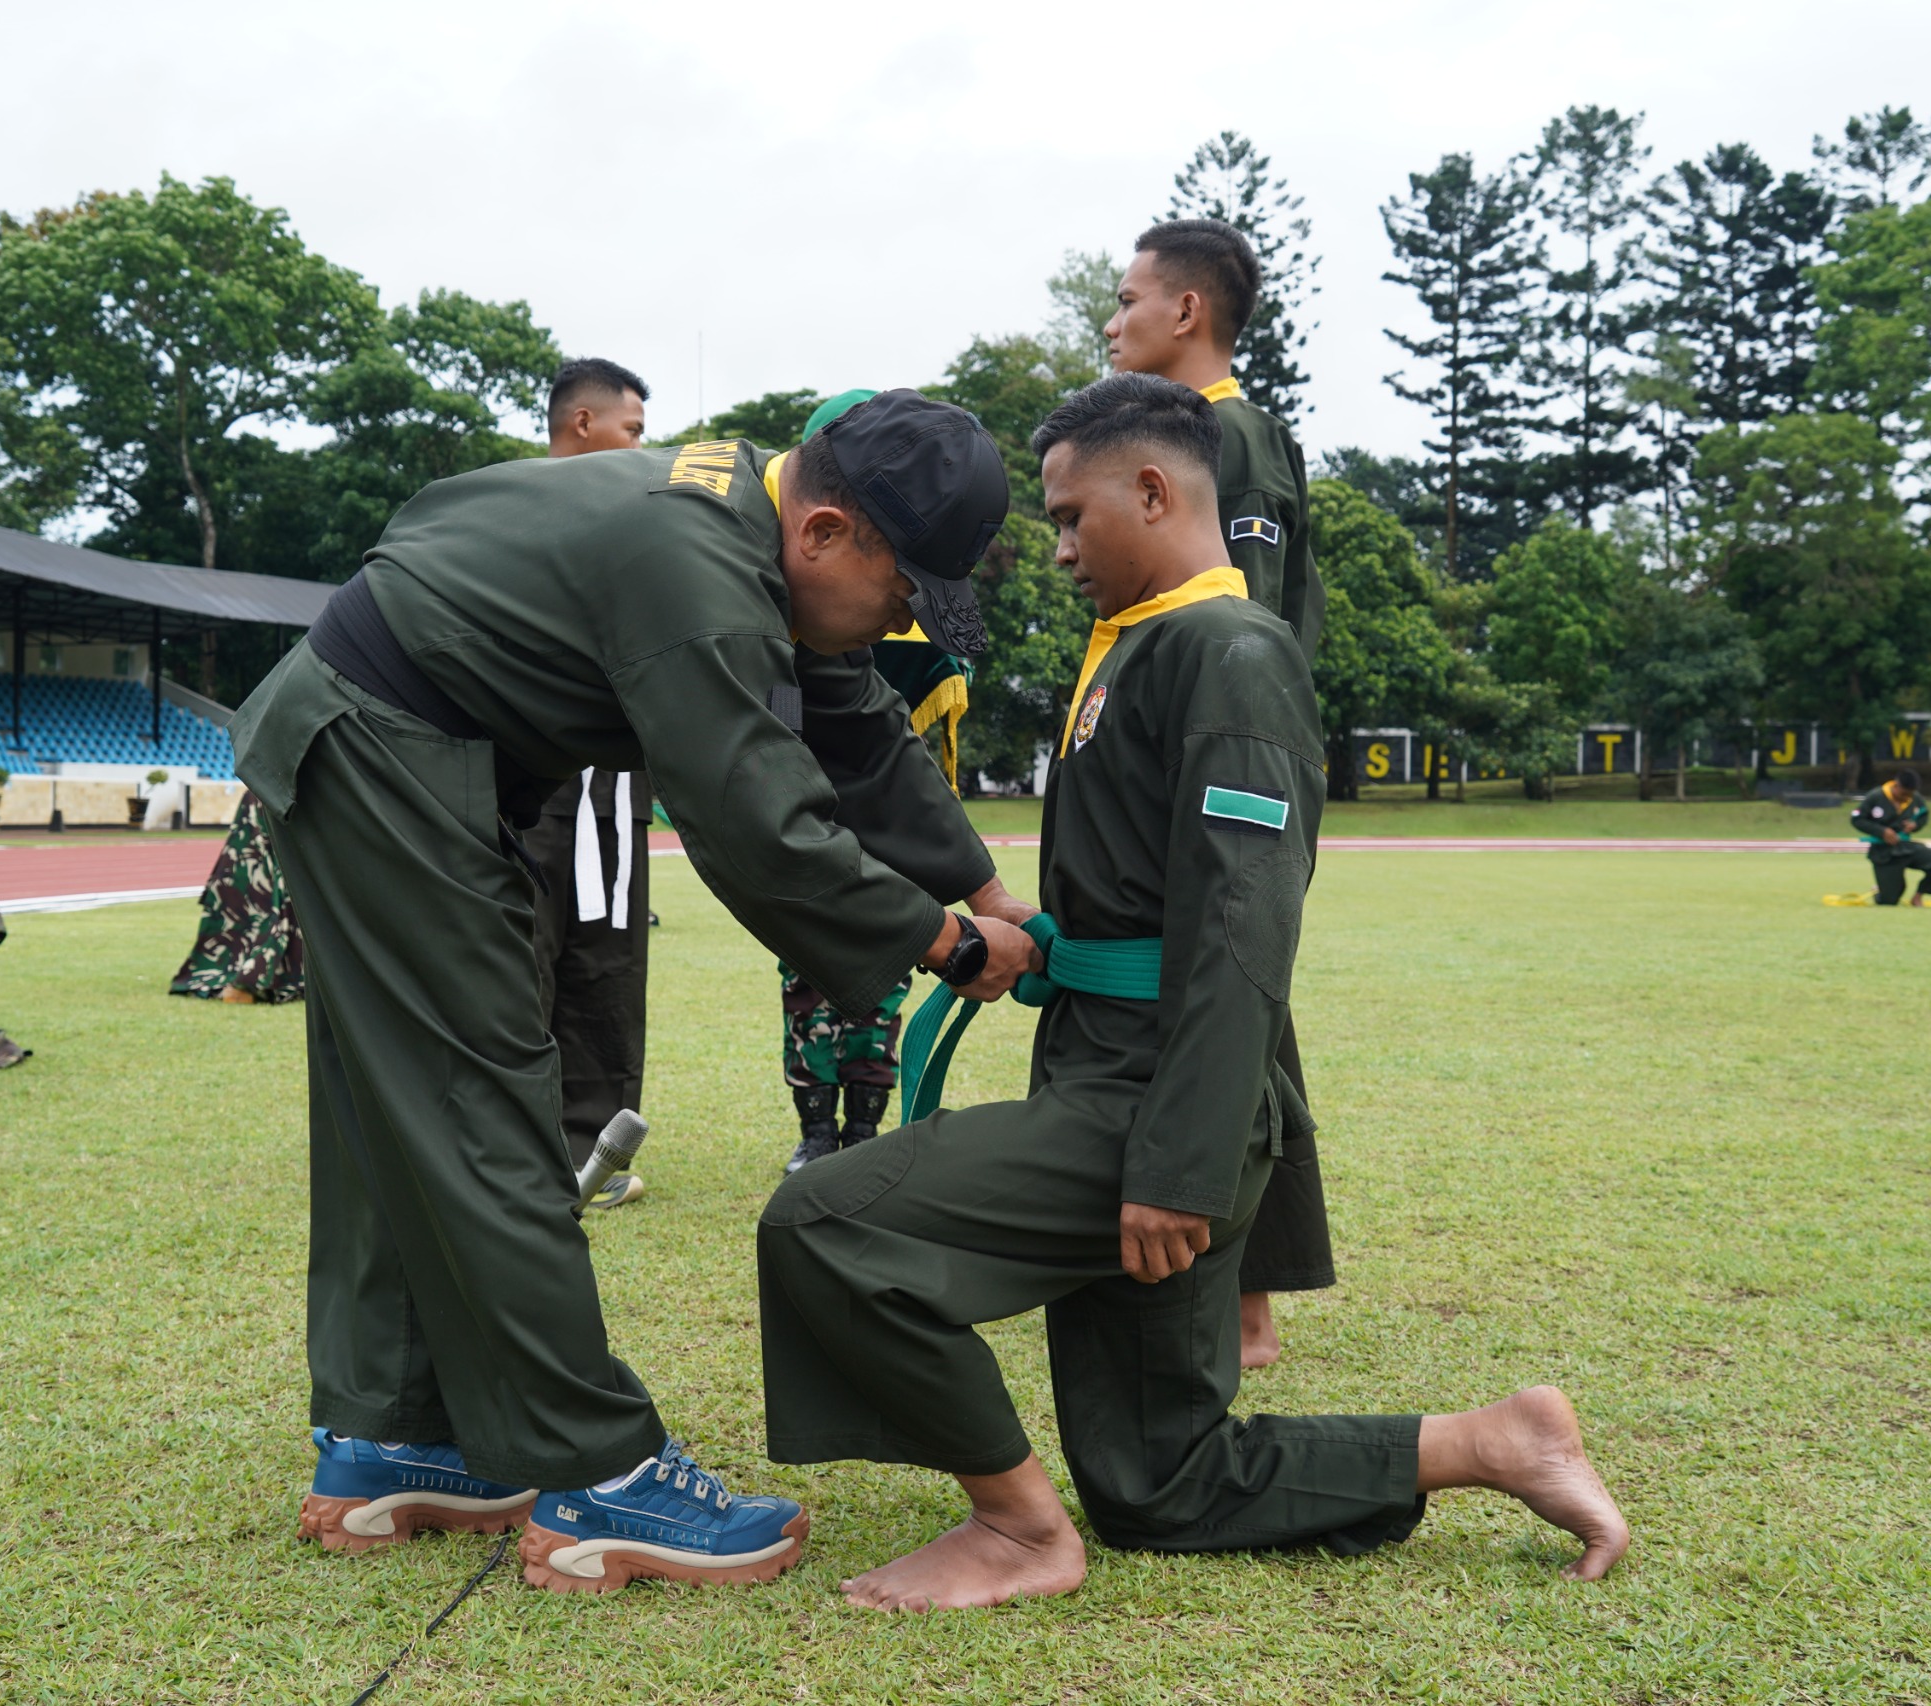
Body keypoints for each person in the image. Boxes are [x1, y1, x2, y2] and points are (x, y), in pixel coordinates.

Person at [755, 375, 1629, 1612]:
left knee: (825, 1224)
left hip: (1153, 1105)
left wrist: (1180, 1162)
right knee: (1155, 1480)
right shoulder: (1144, 643)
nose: (1059, 550)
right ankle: (1495, 1439)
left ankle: (1014, 1532)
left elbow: (1241, 932)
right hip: (1106, 1068)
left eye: (1072, 517)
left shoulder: (1230, 653)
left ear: (1155, 490)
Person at [234, 390, 1043, 1588]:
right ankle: (600, 1471)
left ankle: (391, 1435)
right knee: (479, 1101)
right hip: (385, 745)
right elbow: (758, 824)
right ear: (826, 532)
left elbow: (856, 725)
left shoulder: (754, 523)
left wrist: (984, 886)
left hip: (384, 735)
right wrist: (947, 944)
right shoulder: (700, 577)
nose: (899, 621)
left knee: (402, 1098)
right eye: (902, 593)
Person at [1103, 216, 1330, 1368]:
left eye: (1127, 298)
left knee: (1238, 1012)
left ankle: (1247, 1303)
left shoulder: (1229, 436)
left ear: (1185, 310)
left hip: (1219, 769)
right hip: (1176, 763)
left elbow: (1250, 625)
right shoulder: (1181, 436)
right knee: (1216, 1005)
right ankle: (1229, 1291)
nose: (1112, 321)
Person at [777, 389, 979, 1175]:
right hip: (810, 821)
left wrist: (979, 890)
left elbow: (892, 739)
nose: (896, 619)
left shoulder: (901, 596)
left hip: (886, 837)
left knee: (884, 990)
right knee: (806, 988)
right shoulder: (779, 592)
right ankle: (816, 1131)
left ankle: (862, 1131)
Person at [527, 358, 659, 1206]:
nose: (642, 447)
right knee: (521, 961)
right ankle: (513, 1144)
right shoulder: (513, 510)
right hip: (529, 780)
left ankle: (592, 1151)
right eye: (633, 430)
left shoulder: (639, 521)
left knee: (608, 967)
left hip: (610, 789)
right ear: (584, 422)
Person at [1852, 767, 1931, 906]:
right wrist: (1882, 831)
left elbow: (1923, 816)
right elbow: (1857, 820)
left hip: (1906, 847)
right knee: (1889, 901)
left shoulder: (1915, 798)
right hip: (1883, 852)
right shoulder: (1876, 796)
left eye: (1910, 795)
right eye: (1904, 794)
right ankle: (1879, 891)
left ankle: (1917, 897)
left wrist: (1915, 825)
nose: (1906, 798)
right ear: (1896, 785)